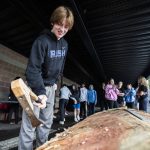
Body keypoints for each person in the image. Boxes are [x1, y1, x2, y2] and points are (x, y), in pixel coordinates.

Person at [18, 6, 74, 150]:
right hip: (35, 89)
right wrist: (40, 92)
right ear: (53, 22)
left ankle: (41, 147)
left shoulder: (65, 44)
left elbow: (60, 67)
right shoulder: (42, 41)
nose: (62, 29)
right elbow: (32, 70)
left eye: (66, 26)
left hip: (50, 89)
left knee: (45, 124)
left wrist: (55, 83)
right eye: (59, 24)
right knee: (30, 125)